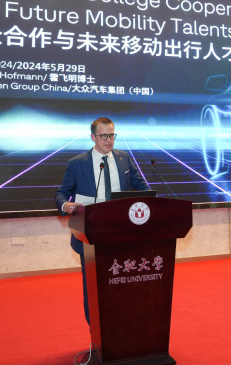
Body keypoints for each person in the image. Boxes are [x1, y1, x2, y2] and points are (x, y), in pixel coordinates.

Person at [55, 116, 150, 327]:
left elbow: (142, 187)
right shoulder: (78, 163)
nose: (109, 140)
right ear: (93, 137)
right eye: (104, 136)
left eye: (112, 135)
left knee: (121, 282)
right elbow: (61, 193)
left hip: (122, 232)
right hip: (90, 232)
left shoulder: (124, 158)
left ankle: (122, 327)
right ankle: (96, 331)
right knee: (94, 285)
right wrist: (65, 205)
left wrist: (151, 201)